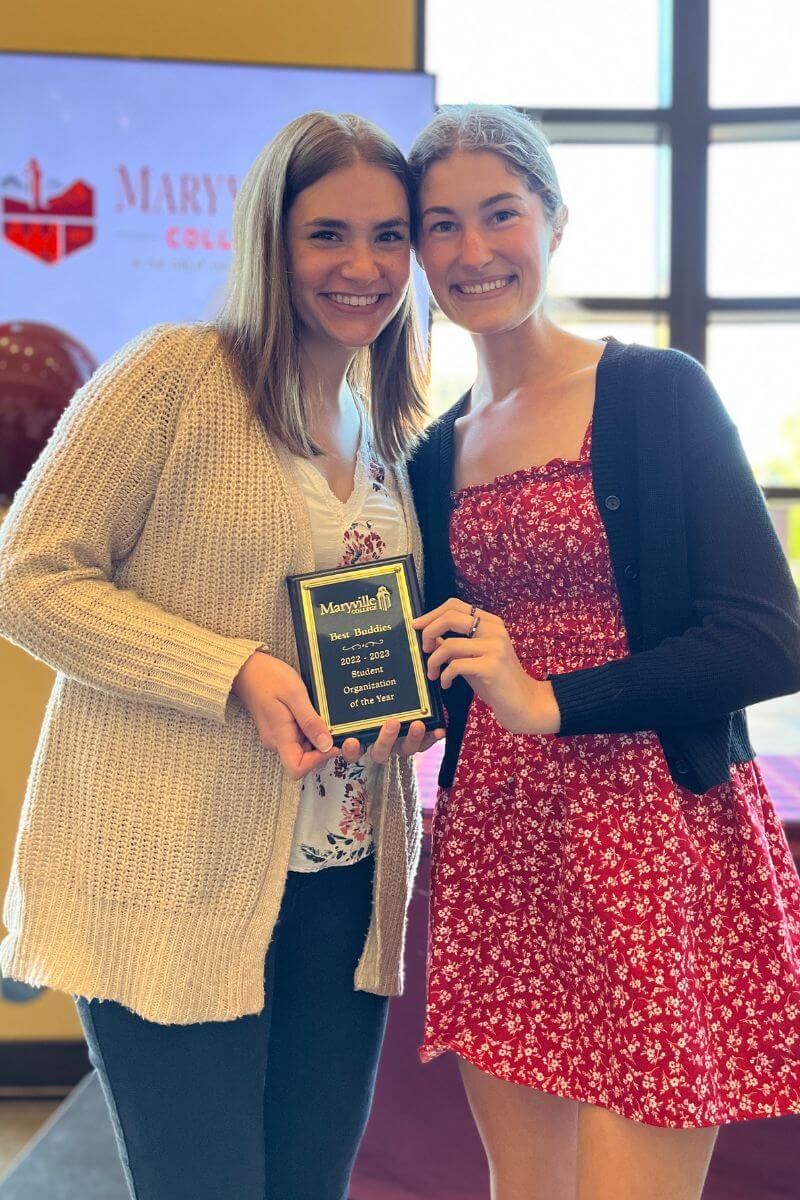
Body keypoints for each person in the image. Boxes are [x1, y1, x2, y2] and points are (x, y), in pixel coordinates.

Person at [0, 110, 443, 1200]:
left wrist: (413, 687)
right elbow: (28, 575)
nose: (363, 266)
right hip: (172, 870)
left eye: (388, 237)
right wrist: (232, 673)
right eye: (326, 234)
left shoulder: (386, 418)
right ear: (269, 244)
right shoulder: (176, 376)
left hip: (341, 881)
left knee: (306, 1186)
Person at [407, 104, 800, 1200]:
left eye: (499, 215)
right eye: (441, 225)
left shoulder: (650, 393)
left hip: (651, 835)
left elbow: (767, 636)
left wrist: (549, 699)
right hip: (501, 841)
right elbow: (455, 654)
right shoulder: (435, 449)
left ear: (554, 221)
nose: (473, 251)